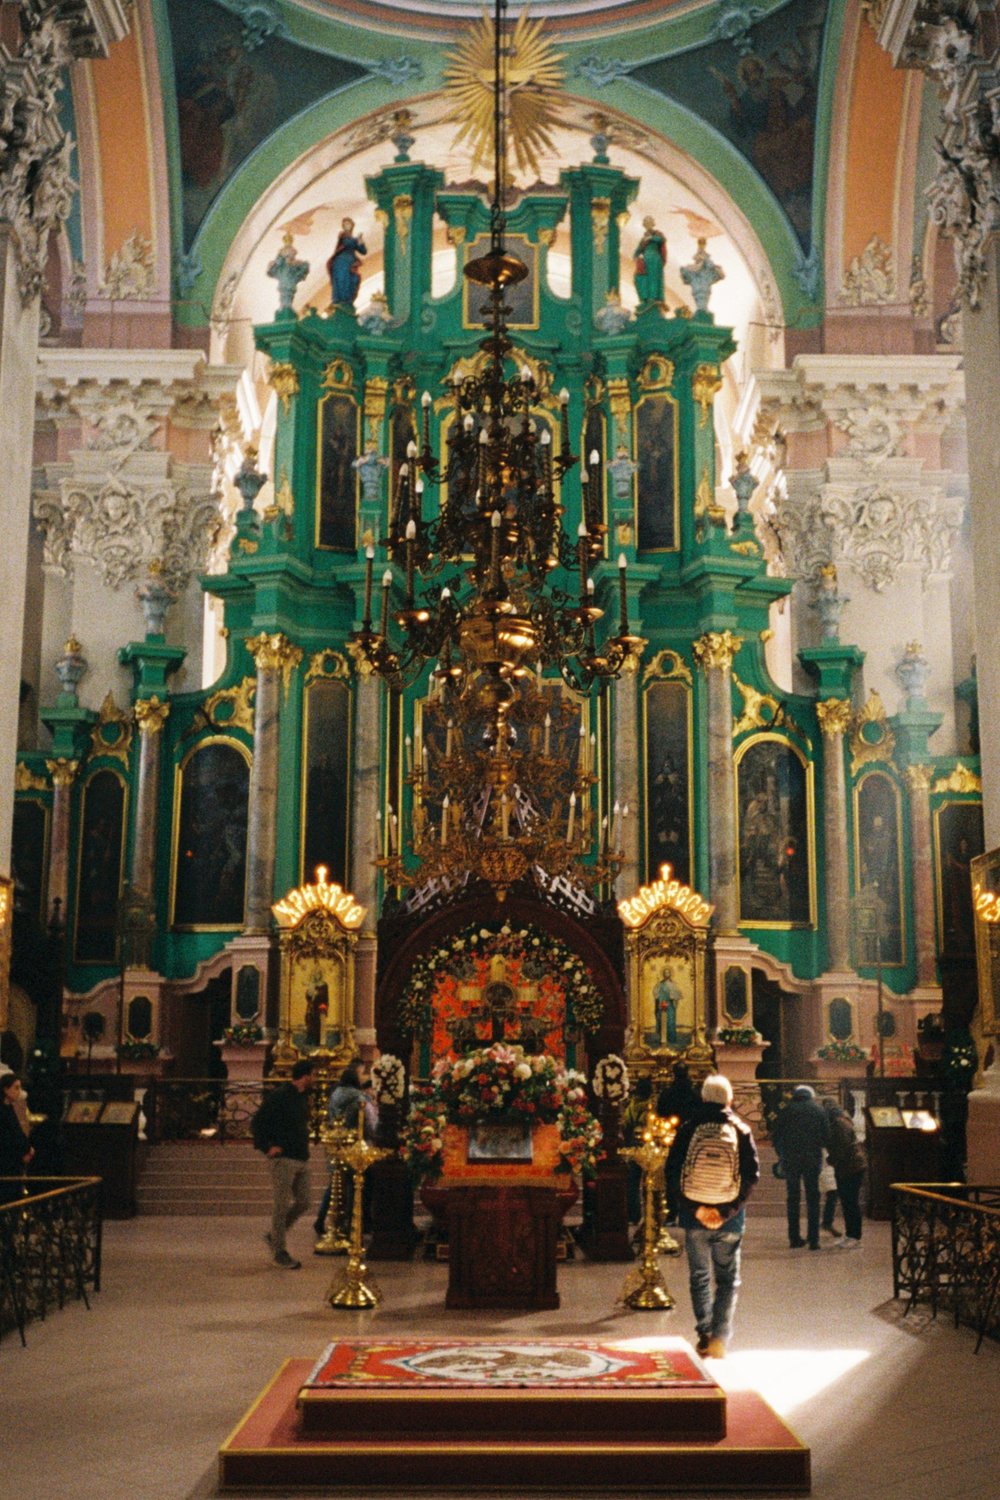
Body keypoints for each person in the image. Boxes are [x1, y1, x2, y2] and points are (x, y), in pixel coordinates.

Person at [666, 1074, 759, 1359]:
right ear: (729, 1098)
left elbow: (672, 1172)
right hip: (729, 1217)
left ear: (704, 1097)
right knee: (728, 1280)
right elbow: (751, 1175)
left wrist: (695, 1209)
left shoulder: (688, 1128)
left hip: (694, 1216)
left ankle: (704, 1334)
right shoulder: (741, 1129)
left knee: (700, 1277)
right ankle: (720, 1337)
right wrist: (727, 1211)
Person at [252, 1058, 315, 1269]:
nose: (316, 1078)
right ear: (305, 1076)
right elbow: (258, 1122)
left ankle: (274, 1235)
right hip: (283, 1158)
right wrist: (267, 1147)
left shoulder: (303, 1097)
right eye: (314, 1075)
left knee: (304, 1201)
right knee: (281, 1204)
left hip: (301, 1157)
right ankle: (279, 1250)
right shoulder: (280, 1096)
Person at [772, 1084, 829, 1250]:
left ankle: (794, 1238)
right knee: (813, 1198)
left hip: (791, 1160)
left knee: (793, 1198)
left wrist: (781, 1154)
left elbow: (776, 1136)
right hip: (812, 1159)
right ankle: (814, 1239)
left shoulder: (786, 1110)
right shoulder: (818, 1110)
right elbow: (827, 1136)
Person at [822, 1097, 866, 1248]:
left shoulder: (839, 1124)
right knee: (847, 1202)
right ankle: (850, 1234)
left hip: (851, 1167)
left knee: (851, 1202)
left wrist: (831, 1159)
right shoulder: (838, 1121)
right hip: (847, 1166)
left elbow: (842, 1146)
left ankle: (855, 1236)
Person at [1, 1074, 35, 1203]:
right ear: (6, 1089)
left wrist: (28, 1148)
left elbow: (17, 1132)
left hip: (13, 1162)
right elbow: (8, 1137)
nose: (19, 1092)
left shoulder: (8, 1107)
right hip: (6, 1163)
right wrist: (24, 1151)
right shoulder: (2, 1110)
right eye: (16, 1088)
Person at [327, 217, 366, 306]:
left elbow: (363, 251)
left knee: (352, 280)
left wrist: (360, 241)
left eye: (348, 224)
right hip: (340, 262)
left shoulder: (354, 239)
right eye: (345, 224)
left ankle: (347, 300)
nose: (346, 226)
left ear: (352, 226)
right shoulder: (343, 237)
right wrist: (356, 240)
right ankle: (339, 300)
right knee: (340, 280)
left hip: (350, 263)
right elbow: (347, 243)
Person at [634, 216, 666, 304]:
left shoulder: (657, 234)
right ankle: (645, 297)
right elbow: (637, 251)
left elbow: (661, 240)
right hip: (645, 260)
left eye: (649, 223)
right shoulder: (643, 239)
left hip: (655, 259)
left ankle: (654, 297)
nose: (648, 225)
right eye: (646, 223)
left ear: (652, 224)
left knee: (654, 277)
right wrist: (637, 257)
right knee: (642, 278)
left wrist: (651, 238)